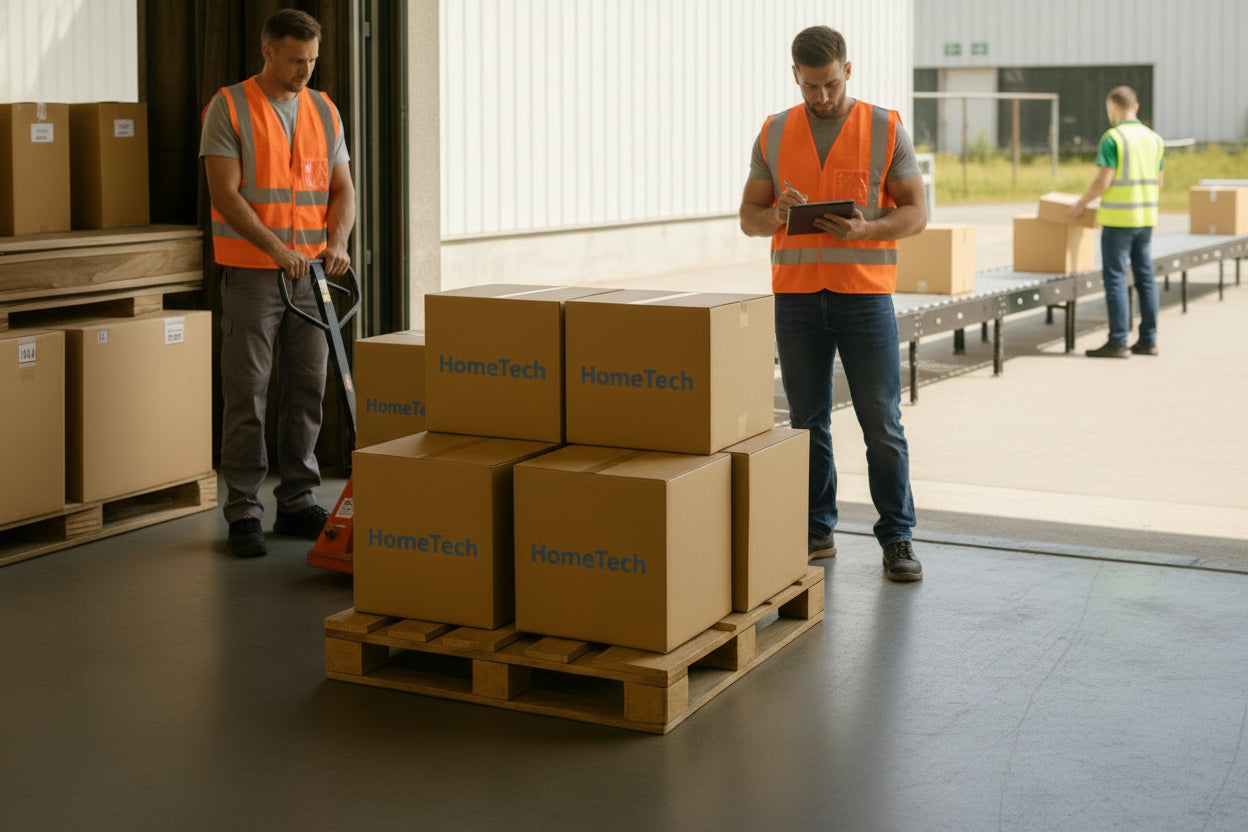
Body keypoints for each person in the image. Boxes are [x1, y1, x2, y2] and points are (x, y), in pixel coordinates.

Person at [738, 25, 927, 582]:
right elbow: (748, 215)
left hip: (865, 297)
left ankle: (897, 537)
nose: (821, 96)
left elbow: (916, 213)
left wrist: (868, 230)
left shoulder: (884, 125)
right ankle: (817, 530)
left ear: (848, 68)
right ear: (794, 74)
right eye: (810, 86)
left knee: (881, 422)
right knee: (806, 423)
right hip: (796, 301)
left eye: (830, 83)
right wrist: (773, 217)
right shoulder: (773, 132)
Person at [200, 9, 356, 557]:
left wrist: (335, 244)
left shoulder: (322, 108)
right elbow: (225, 193)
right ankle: (243, 509)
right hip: (253, 274)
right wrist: (275, 248)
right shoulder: (231, 106)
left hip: (311, 274)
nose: (304, 72)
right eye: (295, 60)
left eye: (312, 61)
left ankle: (297, 499)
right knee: (248, 391)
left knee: (309, 386)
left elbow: (343, 190)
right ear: (268, 52)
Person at [1069, 86, 1165, 358]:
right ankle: (1148, 340)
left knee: (1115, 279)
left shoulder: (1114, 138)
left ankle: (1118, 340)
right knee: (1145, 278)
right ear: (1136, 106)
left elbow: (1103, 181)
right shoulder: (1154, 139)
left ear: (1113, 107)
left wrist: (1080, 204)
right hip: (1146, 218)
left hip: (1119, 220)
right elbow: (1160, 181)